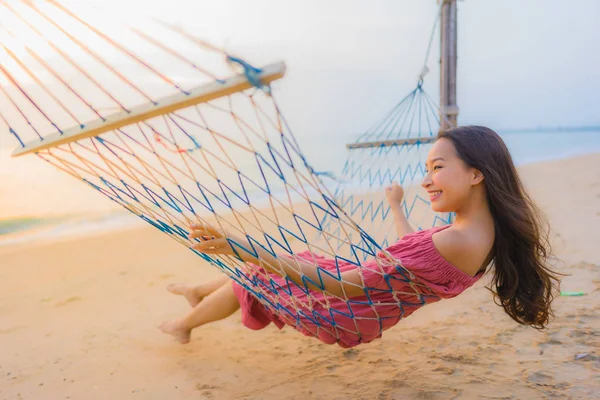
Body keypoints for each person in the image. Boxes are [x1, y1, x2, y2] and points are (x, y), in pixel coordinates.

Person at [159, 126, 561, 347]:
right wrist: (397, 207)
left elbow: (345, 288)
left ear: (476, 174)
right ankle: (199, 291)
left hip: (346, 312)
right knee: (296, 259)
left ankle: (184, 324)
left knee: (258, 273)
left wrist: (241, 246)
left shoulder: (455, 239)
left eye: (437, 167)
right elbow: (415, 259)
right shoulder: (476, 234)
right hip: (369, 306)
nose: (426, 180)